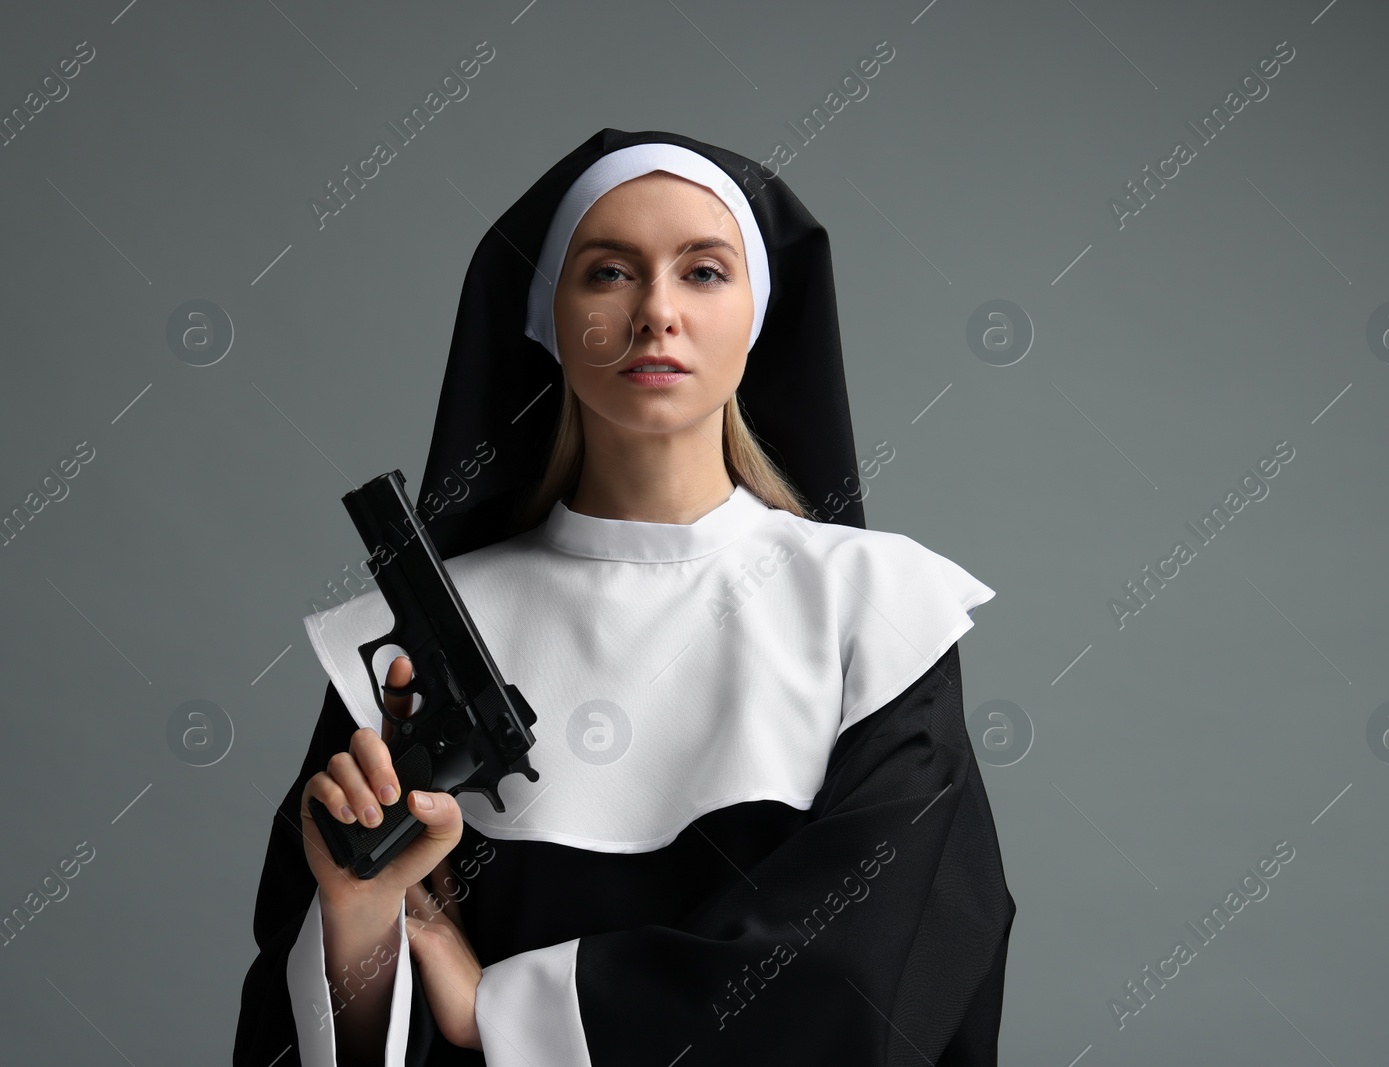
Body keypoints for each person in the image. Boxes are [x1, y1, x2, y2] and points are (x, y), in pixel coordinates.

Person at [234, 129, 1015, 1066]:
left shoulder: (874, 610)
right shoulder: (409, 653)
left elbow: (871, 968)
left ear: (759, 313)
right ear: (548, 316)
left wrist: (498, 1008)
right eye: (608, 273)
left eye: (704, 272)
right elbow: (307, 1036)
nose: (655, 314)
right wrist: (360, 921)